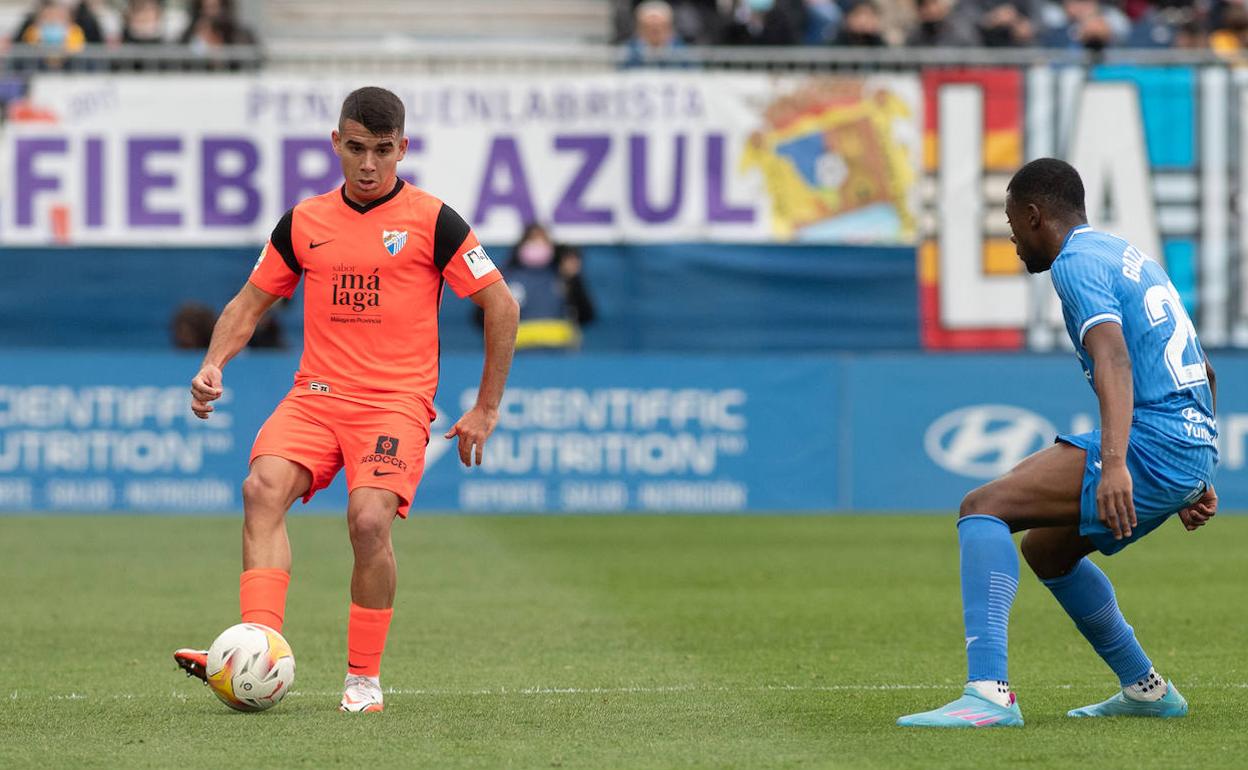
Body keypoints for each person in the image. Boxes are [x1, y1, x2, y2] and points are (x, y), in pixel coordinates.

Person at [172, 86, 520, 714]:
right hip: (316, 397)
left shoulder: (434, 220)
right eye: (356, 148)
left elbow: (502, 303)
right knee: (260, 490)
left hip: (394, 402)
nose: (368, 164)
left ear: (402, 149)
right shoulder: (304, 222)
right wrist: (213, 364)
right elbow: (250, 303)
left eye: (382, 151)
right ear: (336, 143)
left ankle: (363, 678)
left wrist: (487, 406)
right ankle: (258, 647)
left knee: (367, 521)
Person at [898, 158, 1218, 728]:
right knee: (1047, 550)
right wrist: (1198, 468)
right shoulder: (1126, 255)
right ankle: (1145, 688)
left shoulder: (1074, 264)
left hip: (1153, 443)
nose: (1013, 238)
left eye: (1010, 222)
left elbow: (1113, 356)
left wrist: (1117, 463)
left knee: (983, 507)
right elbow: (1204, 371)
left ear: (1033, 214)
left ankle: (988, 694)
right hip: (1186, 441)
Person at [479, 223, 595, 351]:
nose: (537, 244)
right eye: (532, 239)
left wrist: (574, 280)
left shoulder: (563, 275)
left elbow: (587, 315)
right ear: (522, 244)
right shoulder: (505, 278)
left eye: (542, 240)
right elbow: (483, 316)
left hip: (559, 353)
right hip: (517, 354)